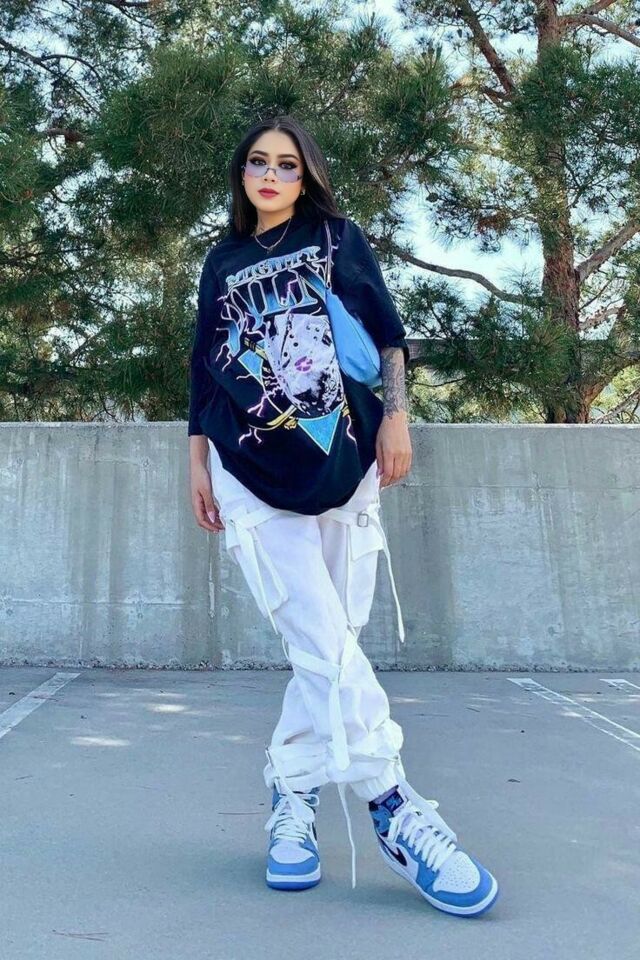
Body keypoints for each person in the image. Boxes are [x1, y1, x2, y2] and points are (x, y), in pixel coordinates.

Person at [188, 114, 499, 916]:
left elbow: (388, 335)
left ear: (307, 176)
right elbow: (204, 368)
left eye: (287, 165)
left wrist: (397, 417)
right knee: (319, 638)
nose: (271, 175)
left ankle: (292, 791)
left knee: (332, 641)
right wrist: (195, 461)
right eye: (258, 162)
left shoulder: (337, 238)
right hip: (247, 469)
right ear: (242, 173)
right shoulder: (221, 262)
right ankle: (393, 805)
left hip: (343, 457)